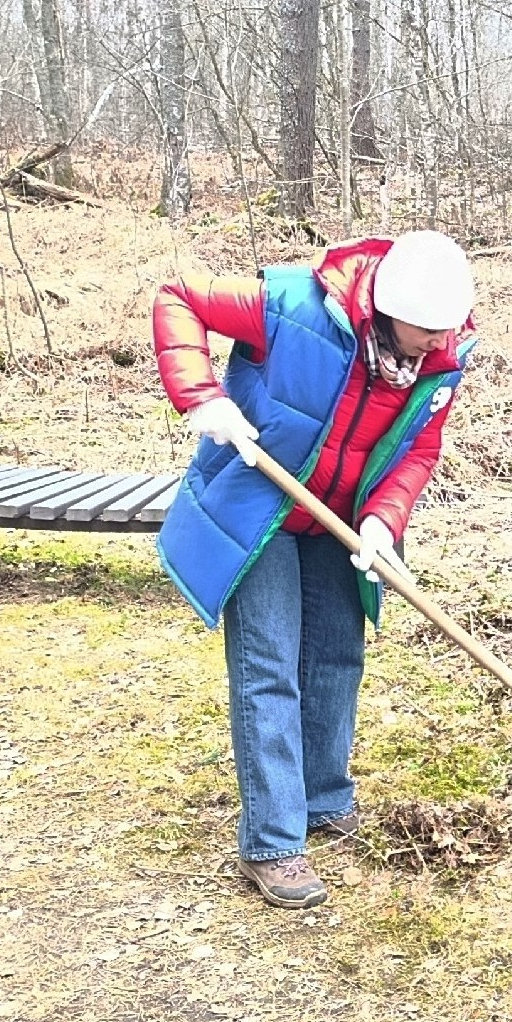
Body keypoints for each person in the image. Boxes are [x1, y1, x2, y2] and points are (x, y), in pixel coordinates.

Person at [151, 232, 477, 910]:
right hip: (262, 503)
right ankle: (273, 841)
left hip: (344, 515)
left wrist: (385, 519)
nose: (434, 343)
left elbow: (419, 449)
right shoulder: (294, 307)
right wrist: (204, 397)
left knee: (336, 654)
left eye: (445, 330)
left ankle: (323, 796)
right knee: (269, 662)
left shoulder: (441, 360)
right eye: (424, 329)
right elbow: (179, 297)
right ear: (386, 307)